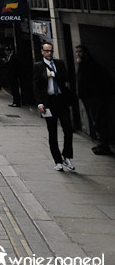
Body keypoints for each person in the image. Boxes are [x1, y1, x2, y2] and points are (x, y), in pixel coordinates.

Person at [33, 42, 74, 171]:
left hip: (61, 100)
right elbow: (36, 85)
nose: (49, 53)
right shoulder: (38, 66)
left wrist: (53, 74)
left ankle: (66, 156)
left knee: (68, 129)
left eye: (51, 51)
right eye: (47, 51)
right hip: (48, 102)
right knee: (52, 133)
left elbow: (67, 77)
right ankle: (57, 161)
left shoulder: (59, 63)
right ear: (42, 52)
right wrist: (39, 103)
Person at [76, 44, 114, 155]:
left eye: (80, 52)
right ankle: (101, 144)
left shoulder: (91, 66)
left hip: (95, 98)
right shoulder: (84, 65)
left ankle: (103, 145)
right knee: (96, 121)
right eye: (77, 52)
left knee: (98, 121)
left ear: (85, 53)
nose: (77, 54)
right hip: (91, 98)